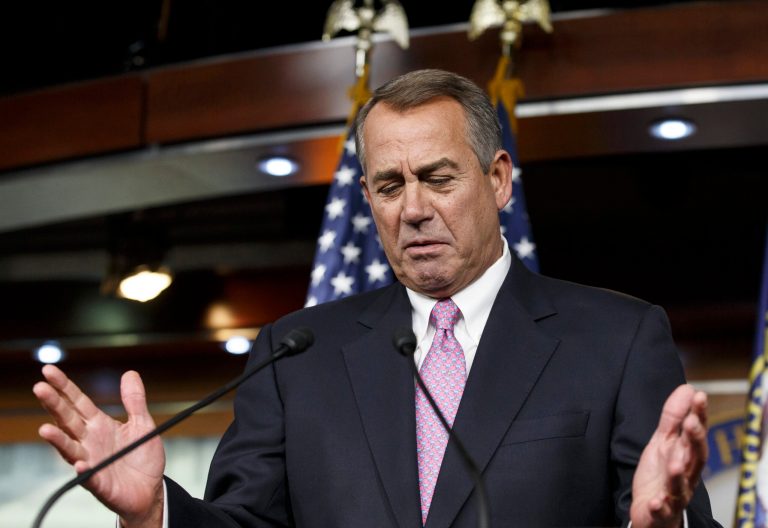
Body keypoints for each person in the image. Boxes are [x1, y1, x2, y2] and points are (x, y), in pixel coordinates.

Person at [34, 69, 720, 527]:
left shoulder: (618, 340)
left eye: (438, 178)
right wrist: (155, 510)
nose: (413, 209)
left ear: (500, 179)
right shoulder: (296, 355)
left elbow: (664, 505)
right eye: (389, 187)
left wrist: (661, 523)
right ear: (367, 199)